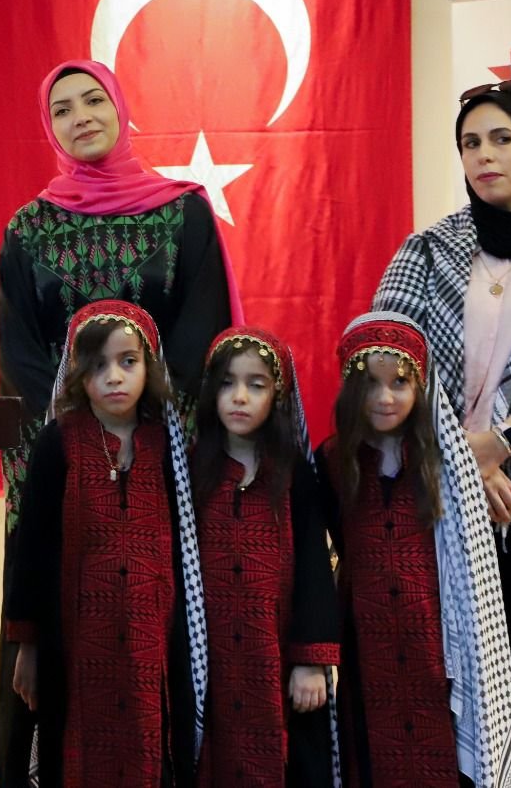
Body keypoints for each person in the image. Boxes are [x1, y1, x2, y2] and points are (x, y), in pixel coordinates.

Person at [0, 59, 241, 786]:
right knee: (57, 639)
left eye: (93, 100)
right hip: (61, 466)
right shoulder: (29, 229)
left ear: (121, 108)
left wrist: (147, 437)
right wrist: (80, 442)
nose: (81, 117)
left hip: (164, 462)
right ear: (50, 128)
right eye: (62, 108)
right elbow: (21, 355)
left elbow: (200, 339)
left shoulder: (183, 214)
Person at [374, 79, 511, 785]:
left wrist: (501, 446)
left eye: (502, 139)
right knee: (452, 682)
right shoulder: (428, 251)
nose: (484, 155)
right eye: (470, 143)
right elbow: (385, 360)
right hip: (440, 497)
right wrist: (466, 460)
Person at [3, 299, 207, 786]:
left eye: (128, 361)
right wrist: (27, 647)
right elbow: (32, 550)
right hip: (71, 646)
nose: (114, 377)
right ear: (77, 374)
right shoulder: (59, 443)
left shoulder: (169, 448)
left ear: (149, 366)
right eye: (98, 365)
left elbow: (187, 555)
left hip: (154, 648)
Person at [318, 313, 511, 788]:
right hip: (364, 643)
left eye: (400, 383)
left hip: (439, 646)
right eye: (370, 384)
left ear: (421, 387)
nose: (385, 397)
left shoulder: (446, 462)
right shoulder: (332, 461)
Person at [190, 328, 337, 787]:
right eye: (227, 384)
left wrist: (311, 660)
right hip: (207, 662)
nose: (240, 397)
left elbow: (315, 569)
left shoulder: (293, 474)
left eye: (256, 385)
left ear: (278, 395)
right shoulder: (190, 470)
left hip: (277, 660)